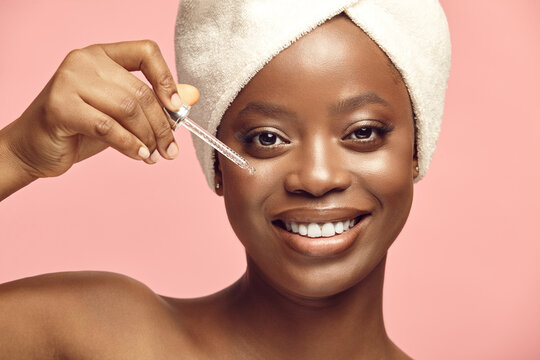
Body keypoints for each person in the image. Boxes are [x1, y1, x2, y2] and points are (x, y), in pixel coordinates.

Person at [0, 0, 450, 358]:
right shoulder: (105, 338)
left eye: (363, 133)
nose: (316, 177)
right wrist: (15, 154)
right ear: (216, 163)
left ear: (417, 150)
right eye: (268, 138)